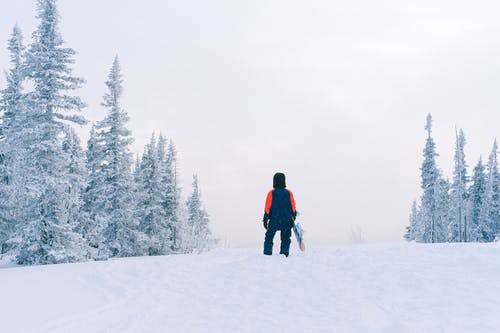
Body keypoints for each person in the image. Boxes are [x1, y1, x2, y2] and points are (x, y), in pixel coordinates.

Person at [262, 172, 297, 257]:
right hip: (286, 220)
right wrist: (293, 216)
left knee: (269, 237)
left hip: (274, 219)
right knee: (285, 238)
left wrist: (265, 218)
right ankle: (284, 253)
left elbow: (267, 206)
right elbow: (293, 206)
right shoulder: (289, 193)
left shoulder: (271, 193)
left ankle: (267, 253)